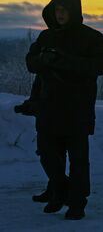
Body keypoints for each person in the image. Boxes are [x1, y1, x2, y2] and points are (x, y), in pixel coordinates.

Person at [26, 0, 103, 220]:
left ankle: (77, 203)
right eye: (57, 10)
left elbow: (101, 65)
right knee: (47, 155)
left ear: (75, 11)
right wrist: (43, 61)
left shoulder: (91, 38)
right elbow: (31, 64)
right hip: (48, 107)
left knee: (78, 160)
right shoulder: (46, 37)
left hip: (76, 108)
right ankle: (59, 189)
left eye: (64, 10)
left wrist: (64, 61)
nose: (60, 14)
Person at [13, 76, 69, 204]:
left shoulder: (48, 65)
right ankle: (55, 189)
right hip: (49, 115)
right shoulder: (44, 67)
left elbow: (48, 94)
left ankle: (61, 189)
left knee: (50, 154)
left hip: (52, 116)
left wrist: (33, 106)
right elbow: (39, 90)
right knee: (55, 154)